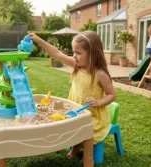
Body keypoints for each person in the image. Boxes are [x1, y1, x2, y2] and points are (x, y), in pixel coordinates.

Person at [29, 31, 116, 160]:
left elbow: (111, 95)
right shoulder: (76, 65)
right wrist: (39, 41)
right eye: (73, 52)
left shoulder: (100, 74)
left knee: (83, 130)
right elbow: (56, 53)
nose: (74, 56)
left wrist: (98, 103)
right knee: (69, 127)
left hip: (92, 114)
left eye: (79, 53)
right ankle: (75, 147)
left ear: (92, 53)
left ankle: (87, 153)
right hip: (75, 109)